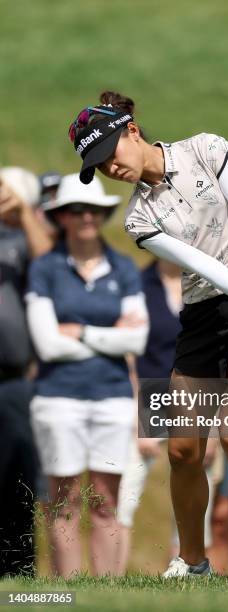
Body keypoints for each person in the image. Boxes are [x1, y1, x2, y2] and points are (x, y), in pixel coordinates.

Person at [68, 91, 228, 584]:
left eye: (109, 155)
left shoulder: (207, 149)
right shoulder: (137, 218)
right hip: (205, 315)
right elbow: (202, 266)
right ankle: (193, 562)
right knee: (181, 449)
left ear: (131, 130)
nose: (110, 169)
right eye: (98, 167)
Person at [26, 173, 149, 578]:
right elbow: (47, 345)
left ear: (103, 214)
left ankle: (107, 593)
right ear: (60, 216)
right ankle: (69, 591)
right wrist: (112, 334)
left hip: (113, 397)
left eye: (93, 210)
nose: (85, 217)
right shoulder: (45, 269)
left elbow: (138, 338)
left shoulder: (124, 267)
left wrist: (79, 332)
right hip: (57, 398)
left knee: (105, 501)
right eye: (75, 210)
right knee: (64, 502)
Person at [116, 259, 220, 571]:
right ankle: (110, 579)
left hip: (197, 402)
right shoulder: (137, 283)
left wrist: (213, 427)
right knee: (124, 498)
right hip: (147, 399)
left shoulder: (210, 284)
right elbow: (127, 353)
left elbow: (219, 355)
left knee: (193, 505)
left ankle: (187, 575)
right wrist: (138, 414)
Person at [0, 167, 52, 576]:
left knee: (18, 484)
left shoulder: (20, 238)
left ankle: (19, 575)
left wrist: (23, 215)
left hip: (14, 382)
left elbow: (48, 259)